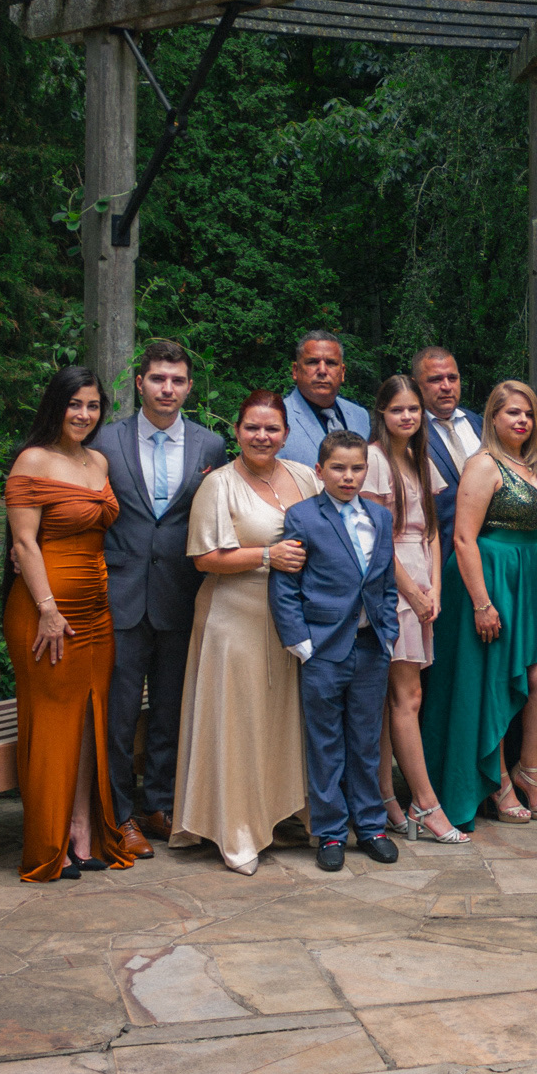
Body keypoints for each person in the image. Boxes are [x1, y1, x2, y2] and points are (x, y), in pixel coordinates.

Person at [170, 390, 320, 874]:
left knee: (283, 720)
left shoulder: (304, 476)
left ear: (286, 434)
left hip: (290, 620)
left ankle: (286, 810)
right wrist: (267, 556)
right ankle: (236, 829)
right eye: (252, 427)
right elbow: (203, 558)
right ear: (236, 431)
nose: (261, 436)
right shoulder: (219, 485)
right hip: (233, 620)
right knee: (239, 723)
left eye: (272, 428)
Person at [419, 382, 537, 830]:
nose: (521, 421)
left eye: (528, 413)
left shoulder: (536, 465)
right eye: (512, 413)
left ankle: (530, 771)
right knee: (493, 681)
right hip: (489, 579)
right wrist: (482, 603)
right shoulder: (483, 464)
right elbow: (463, 538)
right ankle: (499, 780)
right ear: (492, 418)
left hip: (533, 579)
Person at [2, 366, 135, 882]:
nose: (84, 414)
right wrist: (48, 609)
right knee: (52, 725)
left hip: (97, 612)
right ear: (55, 406)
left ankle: (81, 831)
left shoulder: (97, 461)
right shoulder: (33, 460)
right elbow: (24, 543)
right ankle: (48, 844)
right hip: (47, 614)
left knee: (87, 721)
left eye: (93, 405)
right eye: (74, 404)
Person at [98, 340, 227, 856]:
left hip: (181, 594)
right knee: (120, 713)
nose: (167, 389)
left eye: (176, 380)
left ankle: (159, 803)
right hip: (121, 594)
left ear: (189, 387)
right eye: (157, 379)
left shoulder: (210, 446)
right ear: (140, 383)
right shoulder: (105, 441)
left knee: (171, 711)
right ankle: (118, 815)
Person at [273, 431, 400, 871]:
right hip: (323, 648)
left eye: (357, 468)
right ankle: (330, 832)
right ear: (320, 470)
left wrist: (388, 633)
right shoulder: (303, 517)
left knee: (366, 742)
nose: (348, 477)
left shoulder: (379, 517)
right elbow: (286, 585)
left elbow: (385, 582)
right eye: (339, 468)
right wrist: (301, 642)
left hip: (370, 646)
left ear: (367, 469)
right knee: (325, 744)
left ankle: (371, 826)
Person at [362, 376, 467, 843]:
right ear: (382, 415)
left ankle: (386, 796)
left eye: (412, 409)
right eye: (397, 410)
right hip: (393, 584)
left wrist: (436, 588)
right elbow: (374, 535)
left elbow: (432, 530)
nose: (407, 417)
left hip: (423, 581)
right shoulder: (374, 460)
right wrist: (412, 592)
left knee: (397, 698)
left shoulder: (419, 459)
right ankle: (424, 803)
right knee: (408, 698)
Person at [413, 346, 483, 555]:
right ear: (416, 385)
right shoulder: (409, 433)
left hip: (488, 553)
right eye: (436, 380)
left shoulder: (479, 424)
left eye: (452, 378)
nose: (446, 386)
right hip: (439, 553)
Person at [283, 330, 371, 469]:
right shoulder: (278, 418)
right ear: (295, 370)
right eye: (312, 362)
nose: (322, 370)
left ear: (342, 372)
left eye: (331, 363)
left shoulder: (360, 416)